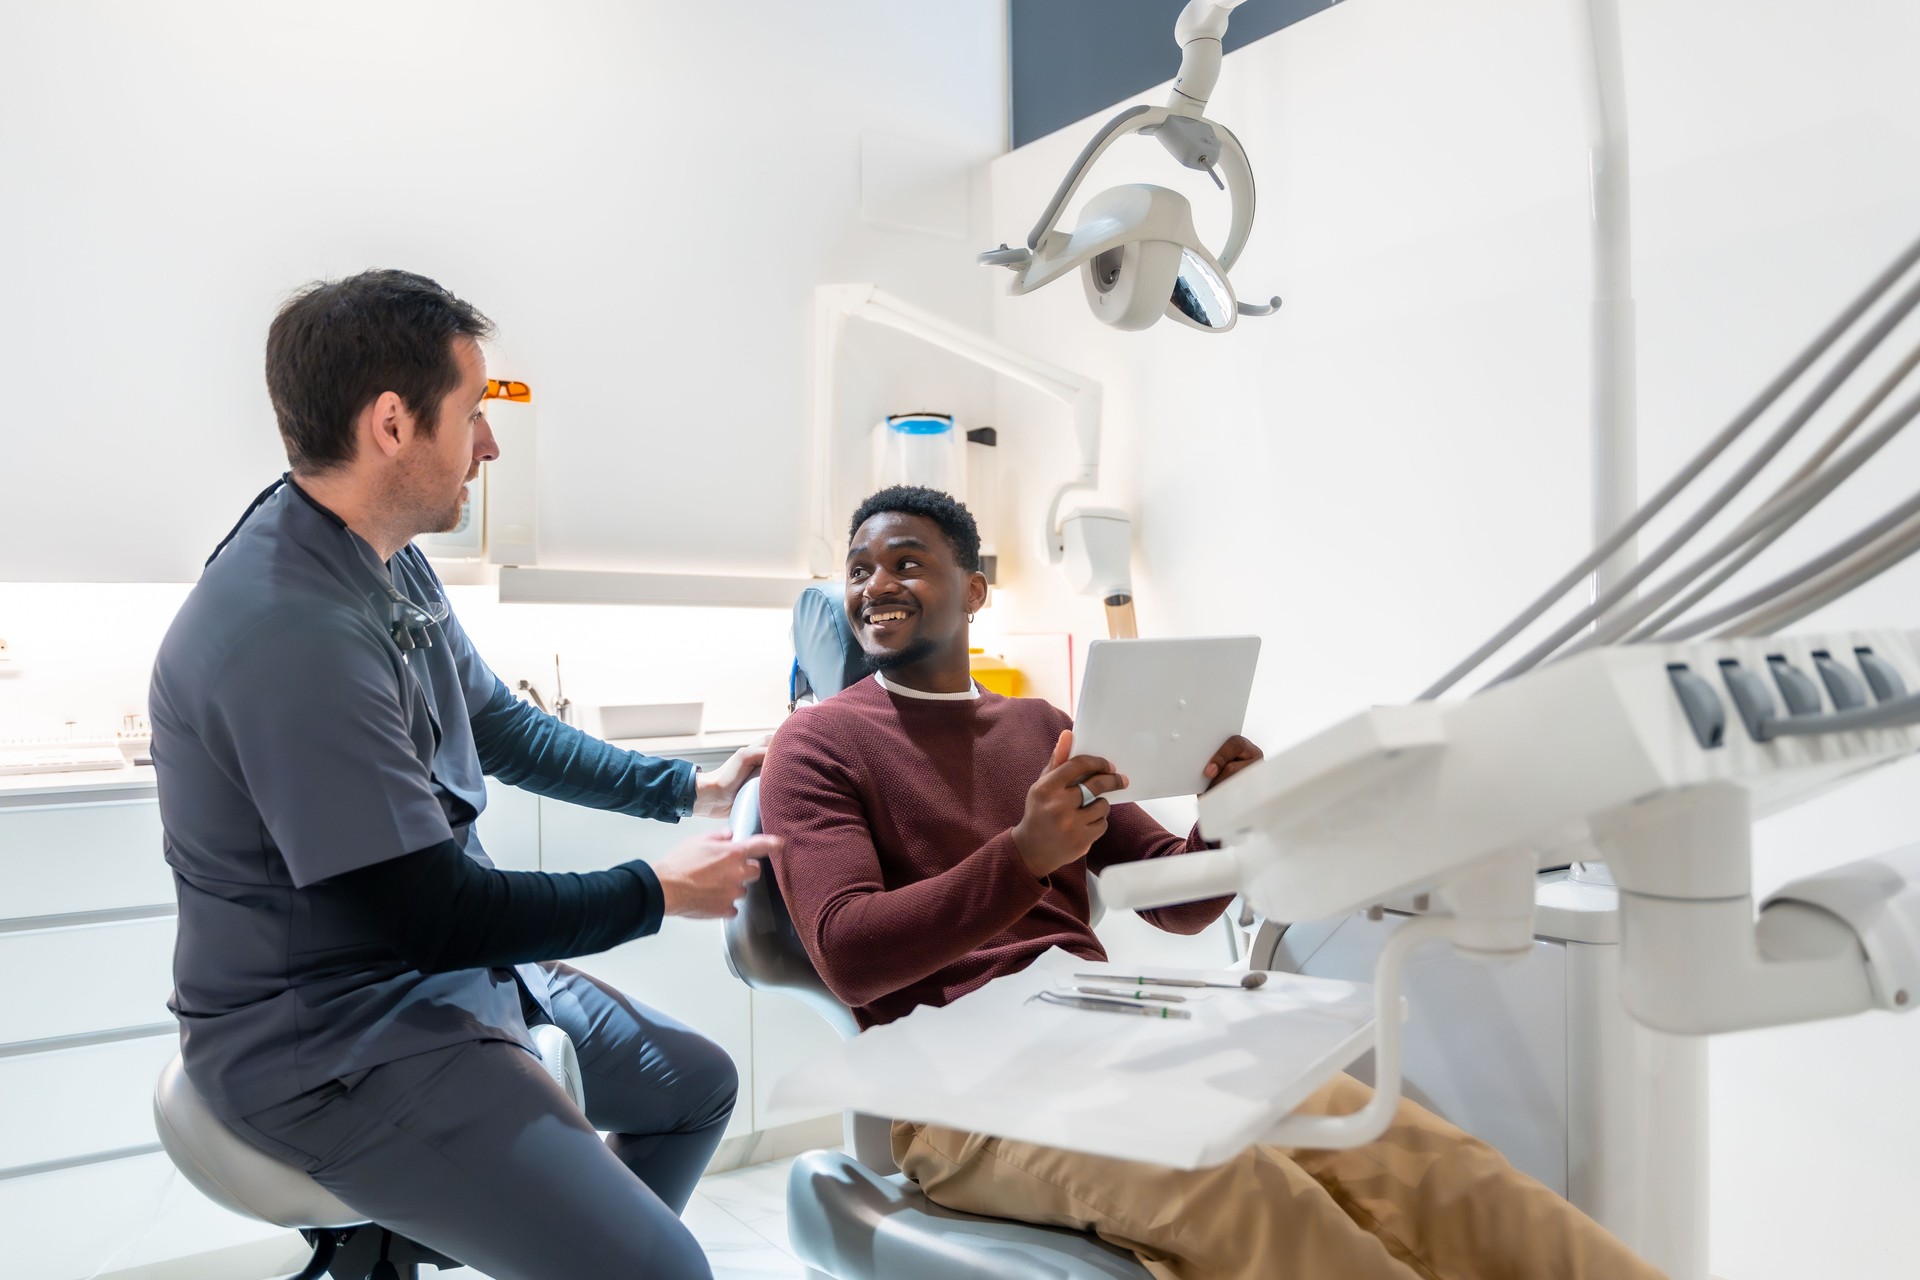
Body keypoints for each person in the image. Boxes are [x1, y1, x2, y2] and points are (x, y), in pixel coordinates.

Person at [756, 484, 1665, 1280]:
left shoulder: (1038, 725)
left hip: (1105, 1018)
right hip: (954, 1088)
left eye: (906, 563)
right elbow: (850, 955)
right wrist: (1023, 856)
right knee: (1251, 1193)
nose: (875, 586)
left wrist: (1226, 818)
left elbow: (1178, 898)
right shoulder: (819, 743)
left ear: (976, 590)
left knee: (1425, 1159)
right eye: (860, 569)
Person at [149, 269, 773, 1280]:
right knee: (669, 1268)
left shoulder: (383, 553)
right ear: (393, 423)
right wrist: (660, 891)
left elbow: (498, 724)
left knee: (691, 1082)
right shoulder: (288, 629)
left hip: (436, 983)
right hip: (336, 1044)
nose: (488, 441)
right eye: (475, 410)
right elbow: (429, 912)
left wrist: (684, 786)